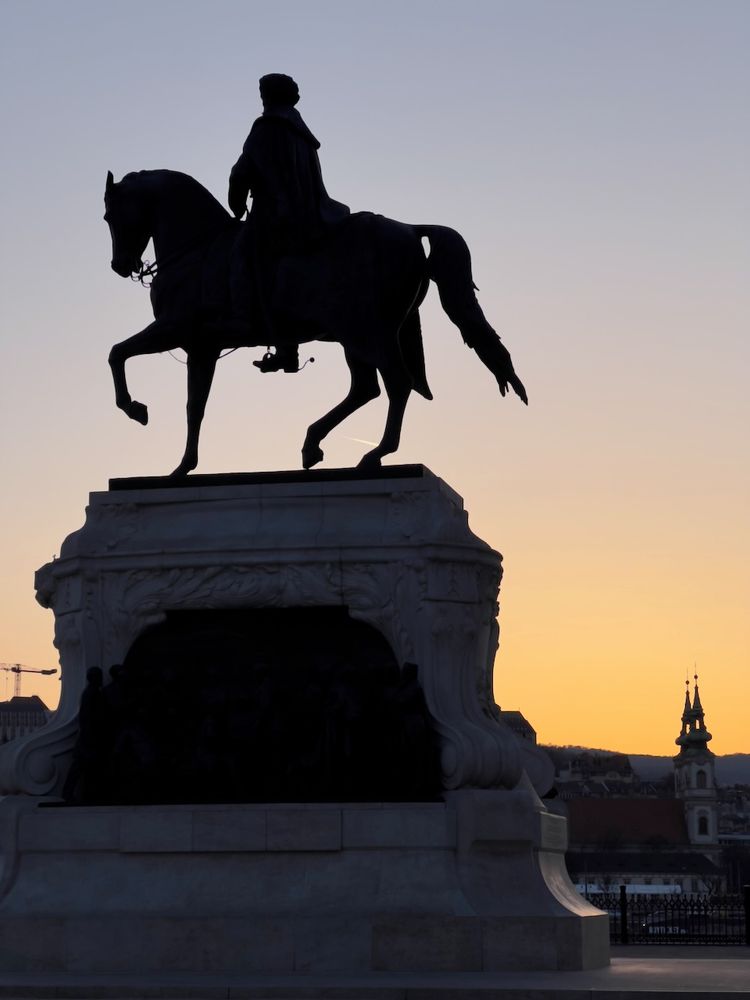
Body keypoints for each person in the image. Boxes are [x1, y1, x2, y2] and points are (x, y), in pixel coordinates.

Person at [228, 73, 350, 372]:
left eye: (262, 92)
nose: (261, 98)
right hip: (312, 211)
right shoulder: (299, 130)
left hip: (276, 214)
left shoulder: (266, 126)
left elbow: (242, 170)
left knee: (242, 258)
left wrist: (236, 202)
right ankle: (287, 348)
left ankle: (258, 328)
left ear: (270, 96)